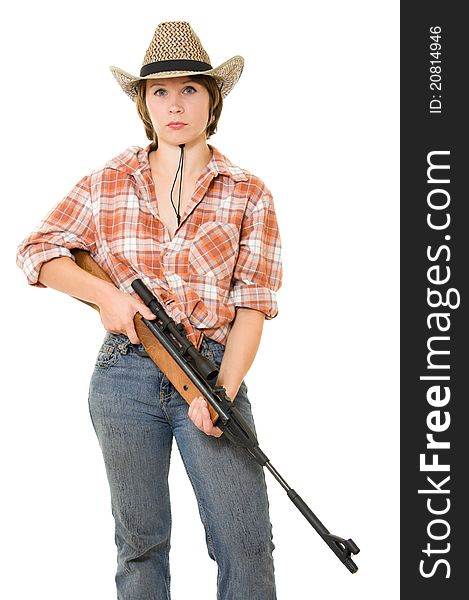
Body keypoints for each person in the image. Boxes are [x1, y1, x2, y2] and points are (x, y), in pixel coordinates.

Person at [16, 21, 282, 600]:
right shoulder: (108, 180)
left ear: (213, 99)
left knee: (246, 542)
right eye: (159, 91)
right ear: (143, 103)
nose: (175, 104)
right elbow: (36, 251)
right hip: (123, 374)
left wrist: (224, 392)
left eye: (189, 89)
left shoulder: (248, 192)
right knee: (140, 544)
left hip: (211, 372)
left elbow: (253, 305)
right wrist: (106, 296)